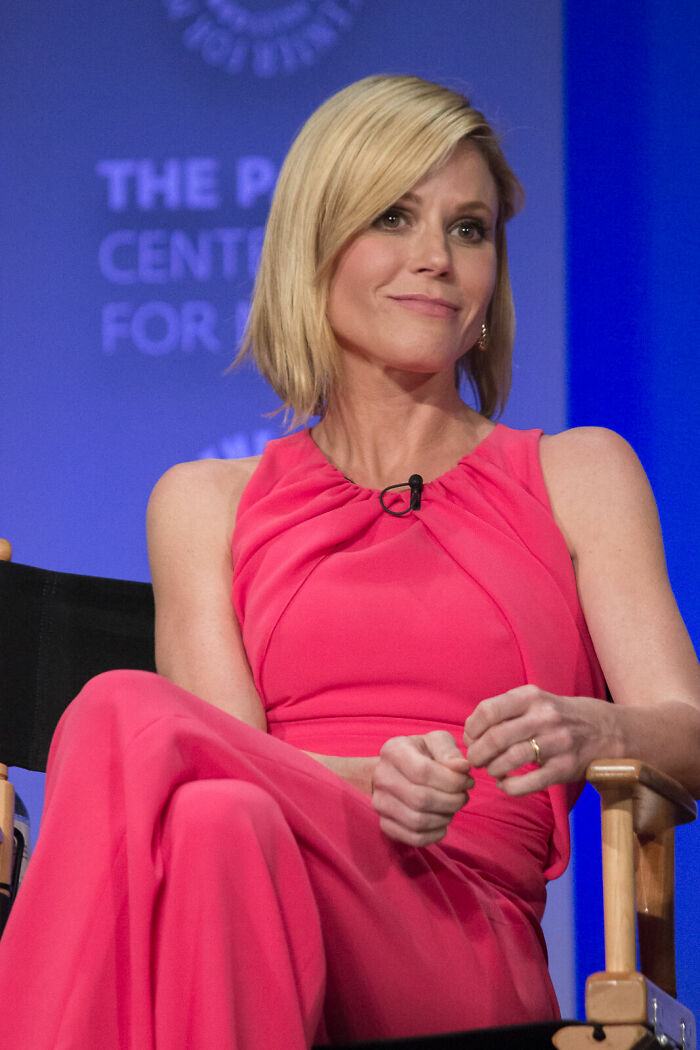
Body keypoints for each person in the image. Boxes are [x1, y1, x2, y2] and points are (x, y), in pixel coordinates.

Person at [1, 74, 699, 1049]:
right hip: (254, 903)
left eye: (469, 229)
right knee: (212, 821)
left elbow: (688, 731)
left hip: (458, 932)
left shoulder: (578, 473)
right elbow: (220, 758)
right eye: (393, 217)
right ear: (315, 247)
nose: (436, 258)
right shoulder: (204, 504)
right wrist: (369, 782)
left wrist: (598, 728)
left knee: (119, 711)